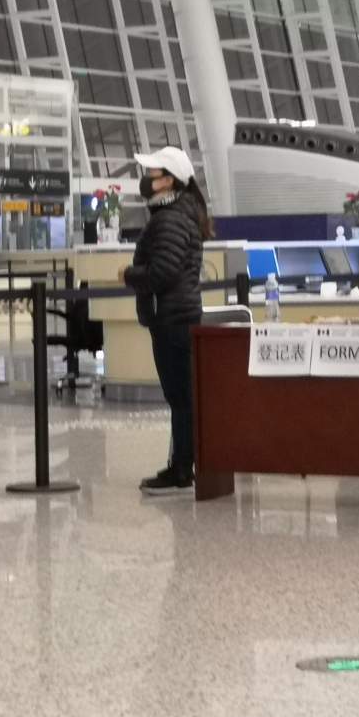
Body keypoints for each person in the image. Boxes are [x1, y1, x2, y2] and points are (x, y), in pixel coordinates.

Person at [122, 146, 210, 495]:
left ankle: (181, 470)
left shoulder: (170, 218)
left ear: (169, 180)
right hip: (179, 315)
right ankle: (183, 465)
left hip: (172, 318)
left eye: (152, 173)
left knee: (181, 397)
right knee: (183, 396)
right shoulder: (180, 214)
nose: (146, 180)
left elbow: (163, 272)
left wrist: (129, 275)